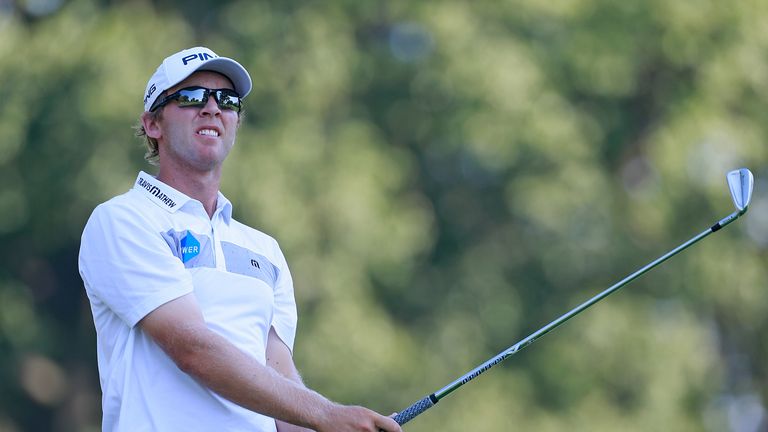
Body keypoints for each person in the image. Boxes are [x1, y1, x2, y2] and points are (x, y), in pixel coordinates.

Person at [79, 46, 402, 432]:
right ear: (152, 124)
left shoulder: (264, 250)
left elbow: (282, 394)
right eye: (191, 97)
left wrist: (340, 427)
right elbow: (193, 349)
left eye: (227, 100)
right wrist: (329, 415)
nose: (213, 108)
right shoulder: (122, 220)